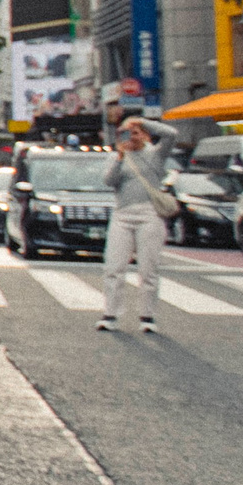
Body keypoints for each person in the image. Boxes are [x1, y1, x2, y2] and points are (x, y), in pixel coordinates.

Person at [100, 116, 180, 333]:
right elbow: (109, 181)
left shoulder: (155, 154)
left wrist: (142, 122)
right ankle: (110, 313)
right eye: (125, 133)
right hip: (122, 213)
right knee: (114, 266)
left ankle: (147, 315)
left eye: (135, 133)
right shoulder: (117, 156)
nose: (131, 137)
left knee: (148, 267)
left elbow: (171, 134)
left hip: (149, 213)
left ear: (144, 134)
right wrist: (119, 157)